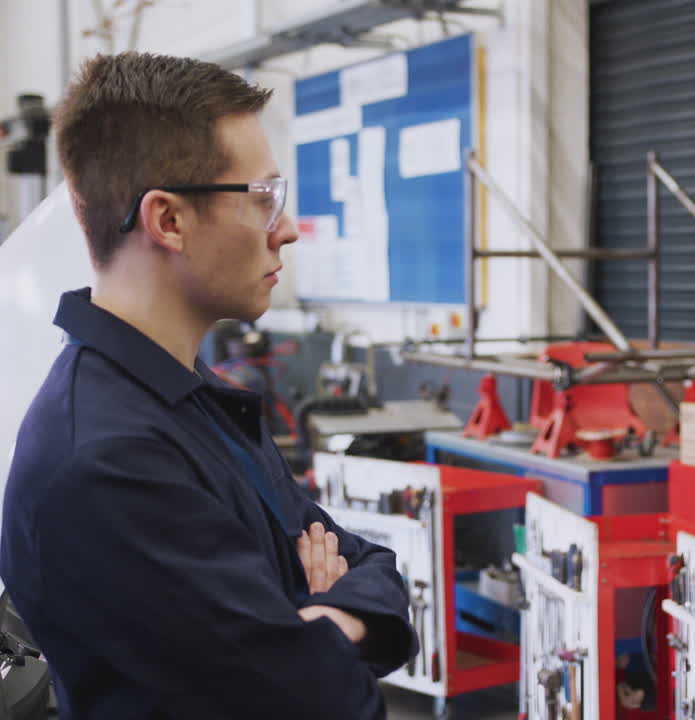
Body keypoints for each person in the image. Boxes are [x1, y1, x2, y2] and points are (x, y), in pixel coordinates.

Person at [0, 52, 415, 719]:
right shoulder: (107, 464)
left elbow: (370, 562)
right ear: (168, 220)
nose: (284, 230)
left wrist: (324, 622)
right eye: (262, 199)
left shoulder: (191, 397)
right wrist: (323, 615)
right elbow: (327, 702)